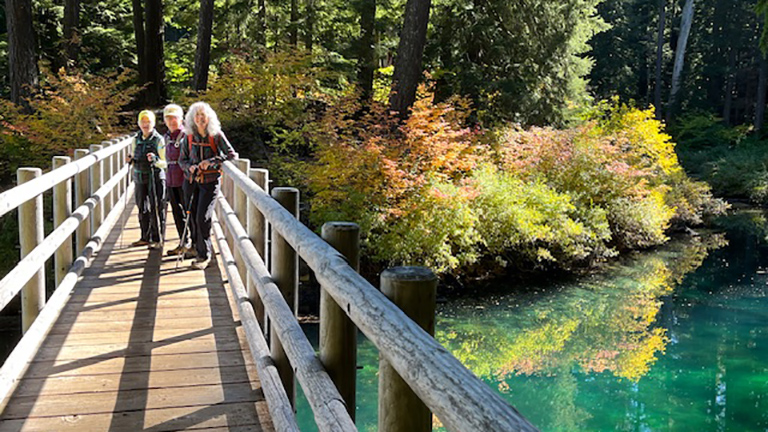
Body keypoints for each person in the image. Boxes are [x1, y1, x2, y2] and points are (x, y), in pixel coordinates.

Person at [178, 102, 237, 270]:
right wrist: (190, 167)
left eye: (203, 115)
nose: (200, 119)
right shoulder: (188, 137)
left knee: (202, 217)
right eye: (196, 115)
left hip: (210, 183)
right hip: (192, 181)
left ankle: (205, 256)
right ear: (191, 118)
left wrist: (210, 162)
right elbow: (182, 160)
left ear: (209, 117)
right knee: (193, 216)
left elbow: (231, 154)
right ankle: (197, 248)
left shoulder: (216, 135)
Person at [128, 110, 167, 249]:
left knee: (156, 207)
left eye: (148, 122)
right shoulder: (135, 139)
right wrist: (131, 160)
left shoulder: (159, 139)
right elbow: (133, 156)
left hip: (155, 177)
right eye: (143, 122)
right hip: (139, 177)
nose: (145, 125)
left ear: (153, 123)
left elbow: (165, 163)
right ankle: (145, 237)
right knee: (142, 207)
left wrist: (155, 160)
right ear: (139, 123)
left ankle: (158, 238)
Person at [162, 104, 194, 257]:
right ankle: (183, 241)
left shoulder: (186, 135)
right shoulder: (167, 136)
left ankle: (194, 244)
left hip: (184, 179)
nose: (171, 121)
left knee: (189, 212)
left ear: (181, 119)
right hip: (170, 179)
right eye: (168, 118)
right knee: (176, 212)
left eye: (174, 118)